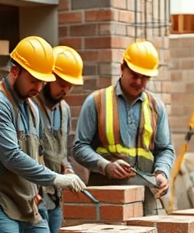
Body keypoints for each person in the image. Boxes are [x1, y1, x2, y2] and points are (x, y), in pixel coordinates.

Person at [0, 36, 86, 233]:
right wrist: (54, 178)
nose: (39, 88)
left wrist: (38, 189)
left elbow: (37, 153)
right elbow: (11, 157)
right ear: (15, 71)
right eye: (33, 80)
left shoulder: (31, 107)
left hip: (27, 201)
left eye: (43, 81)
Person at [72, 39, 175, 215]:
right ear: (122, 68)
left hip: (145, 199)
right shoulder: (96, 102)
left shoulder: (156, 107)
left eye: (145, 77)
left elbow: (165, 149)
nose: (139, 82)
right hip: (106, 198)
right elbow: (79, 147)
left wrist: (161, 173)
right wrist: (105, 166)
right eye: (135, 75)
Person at [36, 45, 84, 233]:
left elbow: (61, 152)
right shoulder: (32, 105)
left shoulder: (64, 110)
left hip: (55, 195)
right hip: (36, 193)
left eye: (69, 85)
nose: (65, 89)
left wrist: (68, 170)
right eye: (61, 83)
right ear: (48, 77)